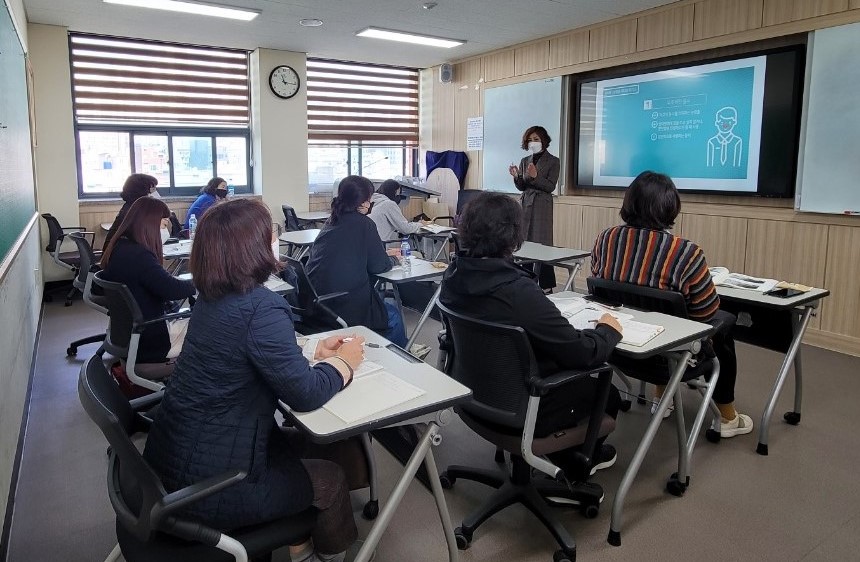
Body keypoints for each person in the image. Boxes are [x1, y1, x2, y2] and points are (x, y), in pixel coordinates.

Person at [142, 198, 366, 562]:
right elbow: (306, 395)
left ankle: (299, 539)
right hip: (214, 486)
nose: (275, 239)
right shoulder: (262, 306)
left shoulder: (212, 299)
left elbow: (239, 356)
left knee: (316, 443)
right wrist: (344, 363)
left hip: (177, 461)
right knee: (330, 477)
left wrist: (310, 355)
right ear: (253, 247)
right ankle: (319, 553)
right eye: (270, 233)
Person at [440, 191, 623, 475]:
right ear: (513, 235)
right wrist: (607, 331)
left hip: (475, 397)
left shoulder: (453, 275)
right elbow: (582, 353)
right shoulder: (517, 291)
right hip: (526, 405)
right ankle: (576, 468)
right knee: (607, 392)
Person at [590, 170, 752, 438]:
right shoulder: (686, 253)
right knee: (722, 328)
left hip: (617, 347)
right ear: (670, 207)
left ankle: (662, 396)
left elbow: (599, 288)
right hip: (668, 354)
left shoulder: (606, 239)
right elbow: (705, 313)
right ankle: (727, 417)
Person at [306, 175, 408, 348]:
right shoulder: (365, 224)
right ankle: (402, 360)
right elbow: (379, 266)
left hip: (317, 303)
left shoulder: (331, 221)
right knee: (393, 316)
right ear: (363, 201)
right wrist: (393, 259)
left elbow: (348, 254)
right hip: (345, 305)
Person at [100, 197, 196, 362]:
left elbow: (159, 283)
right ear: (149, 224)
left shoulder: (120, 247)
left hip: (131, 334)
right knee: (215, 325)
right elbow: (172, 290)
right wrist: (203, 282)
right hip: (153, 339)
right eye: (164, 224)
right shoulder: (139, 256)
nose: (166, 230)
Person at [509, 125, 559, 292]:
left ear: (544, 140)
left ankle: (546, 286)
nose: (533, 142)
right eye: (530, 140)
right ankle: (524, 281)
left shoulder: (553, 161)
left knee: (542, 243)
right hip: (525, 204)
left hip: (541, 205)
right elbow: (522, 187)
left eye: (536, 139)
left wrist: (536, 177)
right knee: (525, 241)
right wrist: (517, 177)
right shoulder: (525, 161)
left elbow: (550, 186)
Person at [103, 173, 159, 249]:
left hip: (117, 252)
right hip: (119, 254)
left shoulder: (130, 206)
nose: (154, 194)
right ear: (142, 190)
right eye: (152, 190)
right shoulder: (134, 210)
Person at [368, 179, 430, 246]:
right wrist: (421, 224)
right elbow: (405, 229)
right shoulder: (388, 204)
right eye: (398, 193)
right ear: (394, 192)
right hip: (377, 245)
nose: (398, 196)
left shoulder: (373, 200)